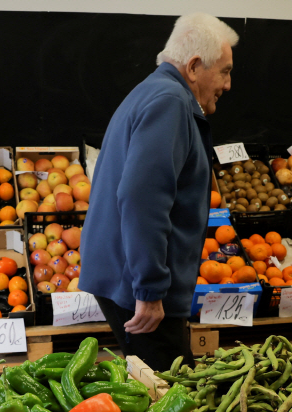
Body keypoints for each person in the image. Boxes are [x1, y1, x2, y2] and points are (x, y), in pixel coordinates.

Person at [80, 13, 237, 371]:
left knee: (163, 385)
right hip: (136, 285)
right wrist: (149, 290)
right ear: (195, 66)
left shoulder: (153, 91)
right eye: (225, 71)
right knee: (175, 398)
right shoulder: (170, 102)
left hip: (126, 277)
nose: (227, 85)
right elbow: (142, 198)